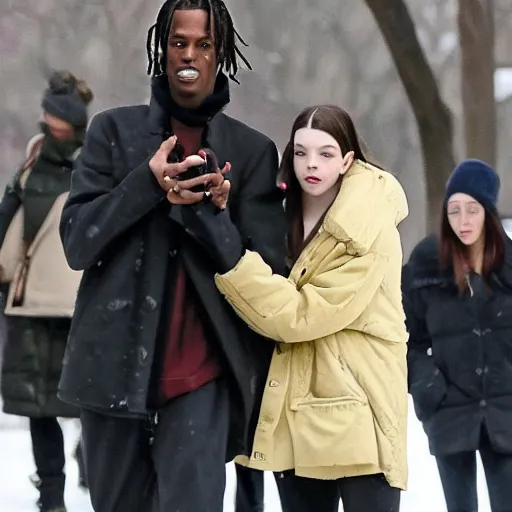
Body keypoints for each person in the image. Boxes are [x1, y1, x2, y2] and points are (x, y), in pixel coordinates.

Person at [57, 1, 287, 511]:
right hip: (112, 372)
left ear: (220, 53)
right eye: (178, 42)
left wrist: (213, 215)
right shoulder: (112, 133)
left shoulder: (251, 153)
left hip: (203, 377)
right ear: (162, 51)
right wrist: (145, 183)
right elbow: (77, 242)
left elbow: (270, 275)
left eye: (204, 44)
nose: (190, 55)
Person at [175, 104, 409, 512]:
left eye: (325, 153)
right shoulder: (281, 212)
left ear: (348, 160)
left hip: (361, 404)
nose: (311, 165)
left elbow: (302, 314)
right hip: (295, 404)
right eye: (301, 152)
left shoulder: (367, 224)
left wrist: (233, 261)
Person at [0, 70, 93, 512]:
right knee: (51, 407)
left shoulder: (42, 164)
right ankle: (55, 493)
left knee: (61, 406)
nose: (46, 120)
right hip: (56, 305)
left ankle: (64, 485)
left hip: (60, 304)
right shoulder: (53, 161)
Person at [403, 159, 512, 512]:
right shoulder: (426, 268)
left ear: (489, 213)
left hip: (506, 412)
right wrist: (428, 386)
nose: (462, 221)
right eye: (453, 210)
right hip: (450, 413)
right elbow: (407, 339)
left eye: (472, 210)